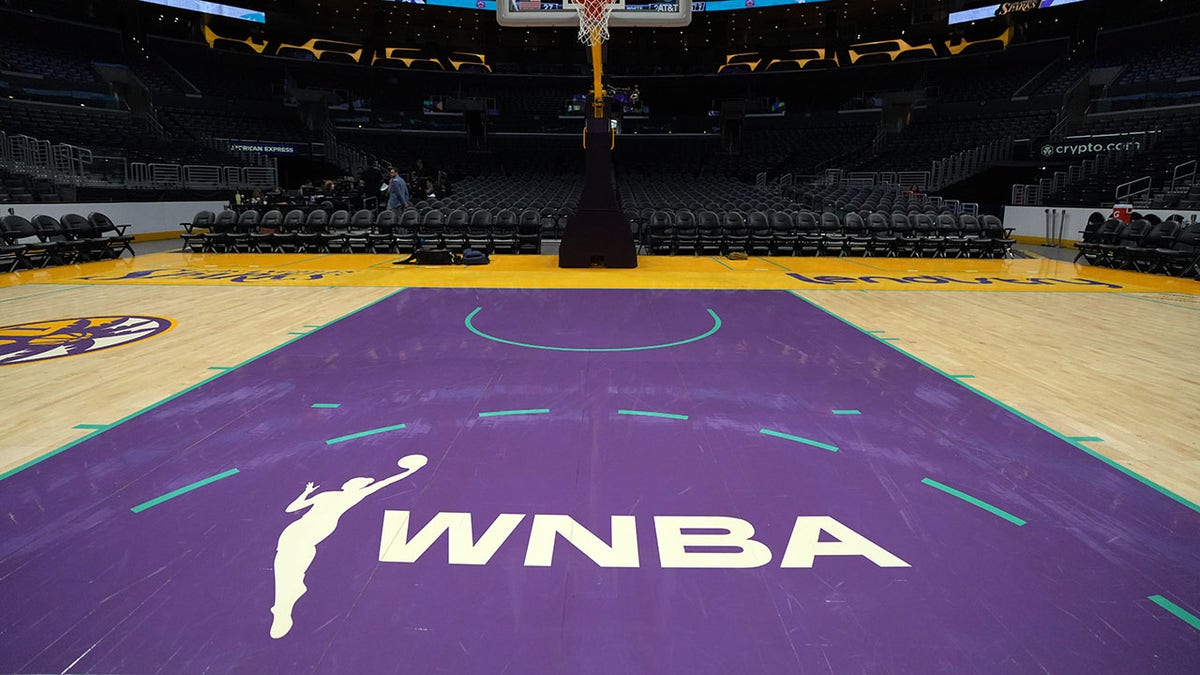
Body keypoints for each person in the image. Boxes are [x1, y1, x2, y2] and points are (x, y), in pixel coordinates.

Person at [269, 454, 428, 639]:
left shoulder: (346, 494)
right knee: (287, 560)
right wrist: (306, 493)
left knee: (291, 560)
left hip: (306, 530)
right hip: (300, 529)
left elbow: (384, 482)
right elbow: (291, 509)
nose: (361, 485)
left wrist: (409, 472)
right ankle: (284, 601)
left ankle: (285, 600)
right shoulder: (335, 494)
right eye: (361, 483)